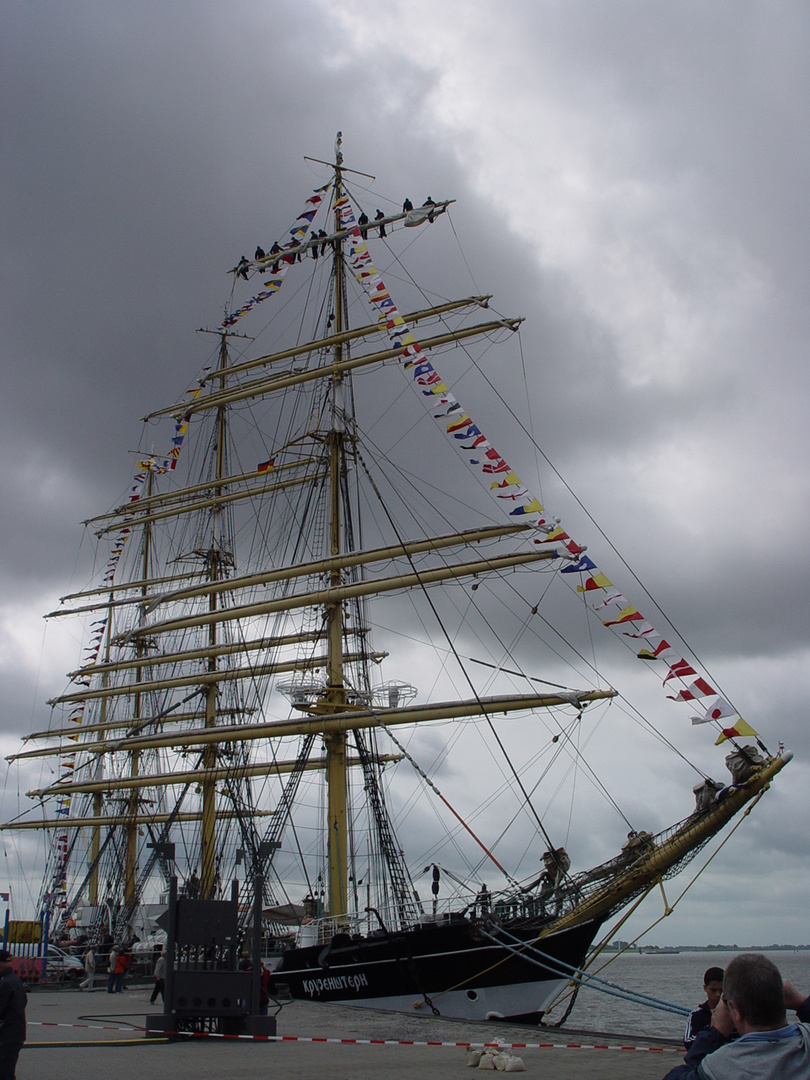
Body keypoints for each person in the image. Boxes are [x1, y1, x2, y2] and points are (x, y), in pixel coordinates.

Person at [663, 953, 810, 1079]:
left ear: (736, 1011)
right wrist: (802, 1003)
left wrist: (715, 1033)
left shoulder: (719, 1067)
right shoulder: (806, 1041)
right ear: (782, 998)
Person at [0, 949, 26, 1080]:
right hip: (14, 1034)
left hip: (7, 1036)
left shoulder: (5, 983)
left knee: (4, 1073)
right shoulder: (14, 980)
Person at [684, 966, 725, 1047]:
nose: (718, 995)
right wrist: (711, 1029)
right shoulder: (696, 1015)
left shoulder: (733, 1014)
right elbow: (688, 1042)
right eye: (713, 990)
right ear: (705, 988)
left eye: (721, 990)